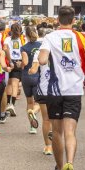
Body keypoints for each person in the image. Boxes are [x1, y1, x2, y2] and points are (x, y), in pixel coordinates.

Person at [38, 6, 85, 170]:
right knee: (70, 131)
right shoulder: (82, 37)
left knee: (57, 133)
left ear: (58, 19)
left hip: (55, 90)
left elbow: (41, 60)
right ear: (74, 20)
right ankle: (70, 163)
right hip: (74, 89)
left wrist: (50, 57)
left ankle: (59, 168)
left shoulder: (50, 37)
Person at [28, 27, 53, 155]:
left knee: (46, 119)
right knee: (60, 118)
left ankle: (48, 147)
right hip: (60, 88)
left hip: (44, 87)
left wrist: (31, 71)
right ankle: (56, 136)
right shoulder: (59, 50)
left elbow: (34, 68)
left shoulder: (39, 51)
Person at [20, 27, 42, 135]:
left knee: (29, 101)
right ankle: (34, 112)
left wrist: (21, 64)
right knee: (38, 102)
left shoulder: (24, 47)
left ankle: (32, 127)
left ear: (26, 35)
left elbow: (25, 61)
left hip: (26, 76)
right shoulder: (41, 46)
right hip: (38, 75)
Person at [4, 23, 24, 117]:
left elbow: (5, 49)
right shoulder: (22, 39)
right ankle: (12, 104)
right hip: (19, 62)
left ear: (11, 30)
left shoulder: (8, 39)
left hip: (10, 62)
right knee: (15, 84)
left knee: (9, 84)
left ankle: (8, 103)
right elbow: (24, 51)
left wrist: (10, 61)